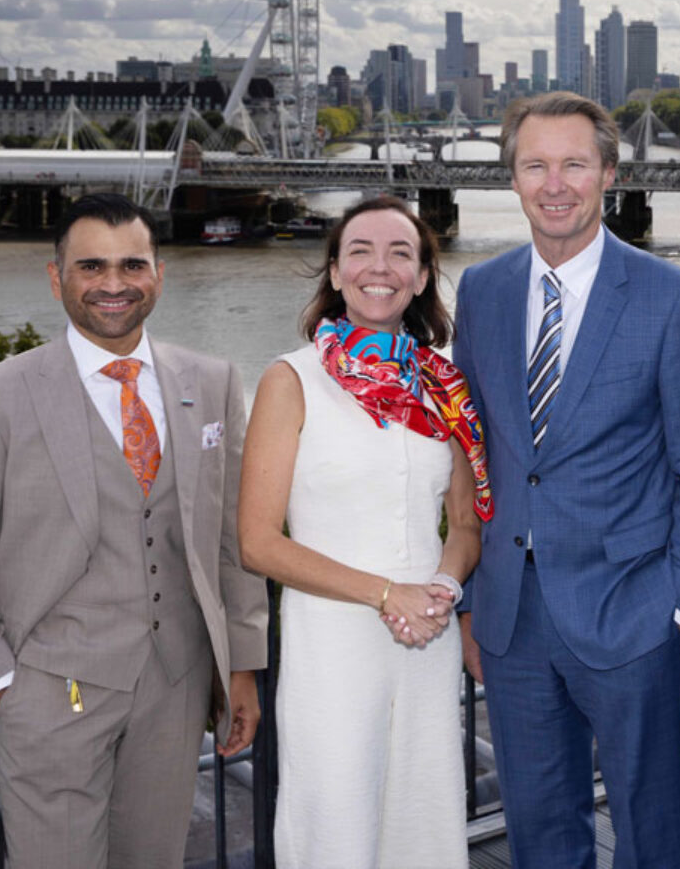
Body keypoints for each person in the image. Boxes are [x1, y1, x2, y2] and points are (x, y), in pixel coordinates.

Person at [0, 193, 268, 867]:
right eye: (91, 267)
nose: (114, 285)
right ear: (58, 279)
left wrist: (242, 666)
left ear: (159, 274)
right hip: (48, 689)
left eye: (132, 264)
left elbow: (230, 537)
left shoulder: (214, 381)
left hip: (176, 685)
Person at [452, 91, 680, 868]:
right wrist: (473, 598)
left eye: (574, 163)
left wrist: (678, 604)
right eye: (535, 164)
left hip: (630, 607)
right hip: (510, 618)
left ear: (608, 172)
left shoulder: (672, 299)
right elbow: (471, 457)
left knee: (650, 832)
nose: (555, 183)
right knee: (541, 832)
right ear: (511, 178)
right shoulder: (482, 291)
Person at [237, 195, 487, 869]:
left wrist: (439, 587)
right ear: (336, 272)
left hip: (425, 636)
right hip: (333, 641)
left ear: (425, 276)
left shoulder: (445, 387)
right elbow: (258, 542)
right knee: (336, 827)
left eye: (400, 253)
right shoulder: (292, 381)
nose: (381, 268)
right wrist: (386, 594)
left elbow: (463, 524)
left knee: (423, 825)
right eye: (361, 252)